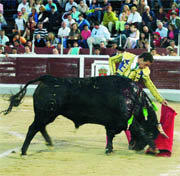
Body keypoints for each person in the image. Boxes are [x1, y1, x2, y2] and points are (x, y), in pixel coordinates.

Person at [109, 51, 168, 141]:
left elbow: (150, 85)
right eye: (145, 64)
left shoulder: (145, 71)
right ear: (141, 59)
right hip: (116, 91)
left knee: (136, 112)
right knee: (115, 118)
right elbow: (111, 60)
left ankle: (155, 124)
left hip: (128, 93)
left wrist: (160, 99)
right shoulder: (127, 56)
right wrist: (113, 74)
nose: (145, 67)